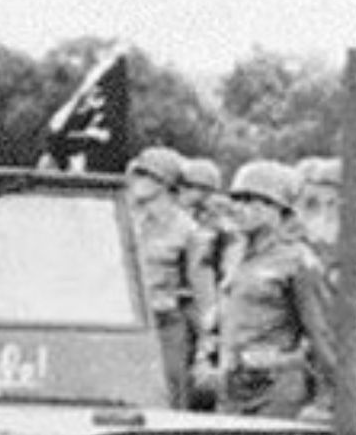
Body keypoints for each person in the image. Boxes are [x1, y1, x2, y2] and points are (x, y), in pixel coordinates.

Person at [202, 161, 335, 419]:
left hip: (278, 387)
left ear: (278, 209)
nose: (240, 209)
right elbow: (220, 317)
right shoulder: (233, 256)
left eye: (253, 201)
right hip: (232, 385)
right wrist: (205, 359)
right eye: (237, 200)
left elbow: (322, 335)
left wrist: (326, 400)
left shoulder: (298, 260)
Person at [126, 147, 212, 408]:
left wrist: (206, 349)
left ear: (166, 184)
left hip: (165, 324)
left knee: (169, 396)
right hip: (125, 325)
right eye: (137, 173)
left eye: (147, 175)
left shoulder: (188, 230)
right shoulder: (127, 220)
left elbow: (203, 293)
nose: (138, 181)